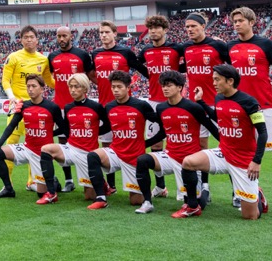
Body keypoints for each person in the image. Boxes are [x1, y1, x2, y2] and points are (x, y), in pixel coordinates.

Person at [228, 6, 272, 216]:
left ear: (252, 22)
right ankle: (246, 194)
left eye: (240, 20)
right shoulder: (229, 47)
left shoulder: (266, 44)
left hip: (266, 106)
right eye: (234, 21)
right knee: (238, 154)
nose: (237, 24)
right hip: (240, 109)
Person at [178, 64, 268, 220]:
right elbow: (218, 117)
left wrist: (256, 161)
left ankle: (258, 196)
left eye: (217, 79)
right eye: (213, 79)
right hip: (223, 152)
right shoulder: (218, 98)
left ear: (230, 81)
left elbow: (263, 133)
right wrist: (201, 102)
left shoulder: (249, 102)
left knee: (250, 216)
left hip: (243, 159)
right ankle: (192, 206)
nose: (213, 83)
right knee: (188, 162)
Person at [134, 70, 220, 214]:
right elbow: (163, 133)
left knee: (197, 203)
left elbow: (211, 127)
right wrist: (144, 144)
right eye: (163, 85)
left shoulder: (193, 107)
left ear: (180, 87)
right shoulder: (161, 108)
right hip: (170, 155)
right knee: (143, 160)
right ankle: (147, 202)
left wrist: (226, 144)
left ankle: (204, 188)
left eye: (169, 85)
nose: (165, 88)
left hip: (190, 160)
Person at [85, 70, 162, 210]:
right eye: (113, 86)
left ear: (128, 88)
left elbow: (161, 125)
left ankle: (150, 191)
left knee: (136, 201)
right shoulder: (109, 107)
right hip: (115, 152)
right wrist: (87, 132)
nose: (115, 90)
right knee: (93, 156)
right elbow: (105, 128)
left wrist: (147, 143)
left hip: (134, 156)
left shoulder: (141, 105)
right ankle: (101, 197)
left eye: (119, 87)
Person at [91, 21, 147, 193]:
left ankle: (144, 182)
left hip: (124, 107)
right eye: (101, 32)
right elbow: (93, 74)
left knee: (128, 143)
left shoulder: (125, 52)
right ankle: (111, 186)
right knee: (107, 145)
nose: (103, 35)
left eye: (107, 32)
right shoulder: (95, 53)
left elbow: (143, 70)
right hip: (104, 106)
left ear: (115, 33)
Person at [0, 74, 67, 199]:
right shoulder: (24, 106)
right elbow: (11, 126)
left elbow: (64, 128)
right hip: (27, 148)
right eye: (28, 86)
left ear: (42, 89)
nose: (30, 89)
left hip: (42, 154)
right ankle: (9, 189)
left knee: (41, 194)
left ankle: (53, 182)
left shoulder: (52, 107)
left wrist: (50, 134)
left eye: (34, 86)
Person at [38, 73, 110, 204]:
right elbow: (65, 129)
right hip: (71, 149)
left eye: (76, 87)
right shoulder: (68, 107)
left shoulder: (96, 107)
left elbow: (108, 125)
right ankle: (51, 193)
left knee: (89, 197)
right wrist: (49, 133)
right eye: (70, 87)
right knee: (46, 149)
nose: (72, 90)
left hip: (88, 154)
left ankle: (102, 184)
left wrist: (95, 132)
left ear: (84, 88)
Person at [181, 12, 229, 199]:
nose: (190, 29)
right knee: (200, 145)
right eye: (187, 27)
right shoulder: (184, 48)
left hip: (218, 104)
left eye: (194, 26)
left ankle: (238, 190)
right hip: (197, 105)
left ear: (203, 26)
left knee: (229, 144)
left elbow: (232, 65)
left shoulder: (217, 45)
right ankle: (204, 187)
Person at [137, 14, 185, 197]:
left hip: (175, 103)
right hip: (153, 103)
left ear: (165, 30)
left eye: (157, 28)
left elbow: (188, 64)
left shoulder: (176, 48)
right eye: (151, 28)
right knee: (156, 144)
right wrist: (149, 75)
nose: (153, 31)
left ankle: (186, 187)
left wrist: (175, 74)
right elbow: (136, 63)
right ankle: (160, 186)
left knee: (179, 142)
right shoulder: (146, 50)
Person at [1, 25, 53, 189]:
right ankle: (7, 183)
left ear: (37, 39)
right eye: (26, 37)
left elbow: (49, 82)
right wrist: (12, 98)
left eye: (32, 37)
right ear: (21, 40)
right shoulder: (14, 57)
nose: (29, 40)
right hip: (18, 107)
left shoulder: (43, 60)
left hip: (36, 109)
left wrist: (69, 84)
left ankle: (33, 182)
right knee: (10, 143)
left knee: (36, 145)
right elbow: (5, 80)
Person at [47, 26, 96, 192]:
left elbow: (91, 76)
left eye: (64, 36)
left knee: (84, 142)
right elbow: (50, 77)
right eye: (59, 36)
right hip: (60, 107)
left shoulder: (82, 54)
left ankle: (90, 178)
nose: (61, 39)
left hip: (80, 107)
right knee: (62, 143)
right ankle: (69, 180)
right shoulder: (52, 56)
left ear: (71, 36)